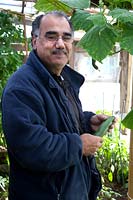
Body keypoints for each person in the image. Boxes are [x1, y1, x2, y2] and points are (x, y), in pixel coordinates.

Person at [1, 11, 115, 200]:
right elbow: (33, 148)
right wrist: (79, 145)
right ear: (35, 41)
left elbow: (59, 122)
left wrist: (88, 122)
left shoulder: (61, 79)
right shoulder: (21, 87)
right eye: (51, 36)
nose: (60, 44)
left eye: (66, 38)